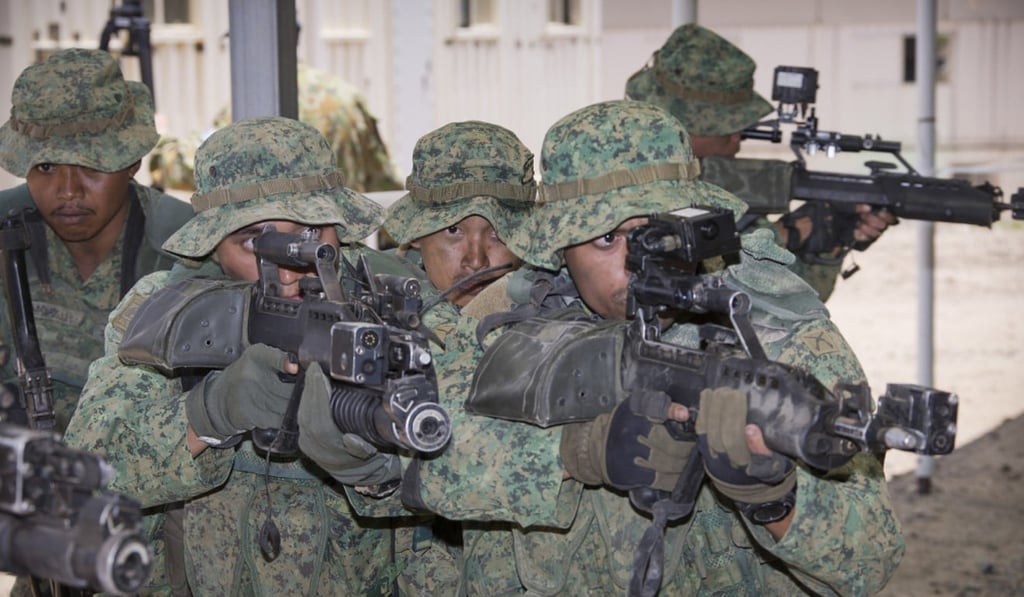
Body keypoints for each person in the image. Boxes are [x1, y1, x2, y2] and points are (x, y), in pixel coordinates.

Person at [404, 100, 904, 594]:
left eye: (658, 235)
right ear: (559, 245)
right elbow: (411, 461)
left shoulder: (779, 338)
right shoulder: (504, 317)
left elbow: (868, 560)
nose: (637, 264)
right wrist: (575, 452)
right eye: (605, 240)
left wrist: (774, 500)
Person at [63, 116, 456, 595]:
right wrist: (208, 414)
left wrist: (377, 471)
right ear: (213, 246)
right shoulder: (170, 311)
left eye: (311, 233)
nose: (291, 269)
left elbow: (473, 480)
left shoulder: (401, 306)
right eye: (255, 241)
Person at [625, 23, 897, 301]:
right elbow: (665, 277)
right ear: (677, 124)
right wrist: (784, 235)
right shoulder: (618, 175)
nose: (737, 140)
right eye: (728, 126)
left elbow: (794, 299)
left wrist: (831, 239)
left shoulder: (717, 191)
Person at [0, 48, 192, 432]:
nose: (68, 190)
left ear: (132, 161)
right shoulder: (6, 230)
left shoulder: (184, 250)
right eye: (47, 167)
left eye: (91, 166)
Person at [149, 62, 403, 195]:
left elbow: (199, 169)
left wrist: (161, 141)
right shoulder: (345, 97)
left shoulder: (250, 105)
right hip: (343, 243)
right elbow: (382, 181)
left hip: (279, 250)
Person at [383, 120, 535, 314]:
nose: (476, 261)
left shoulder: (558, 305)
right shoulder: (373, 293)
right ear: (416, 233)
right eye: (453, 230)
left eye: (499, 231)